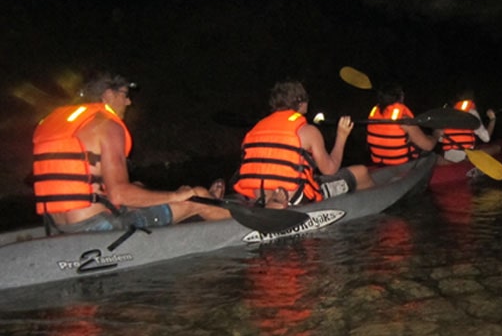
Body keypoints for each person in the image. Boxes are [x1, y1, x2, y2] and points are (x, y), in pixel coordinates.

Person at [32, 72, 229, 233]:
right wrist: (175, 196)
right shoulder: (106, 124)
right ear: (108, 95)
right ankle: (242, 226)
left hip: (58, 223)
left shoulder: (56, 123)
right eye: (124, 95)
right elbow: (119, 195)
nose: (128, 102)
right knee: (197, 197)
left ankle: (214, 202)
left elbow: (104, 189)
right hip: (96, 225)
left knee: (139, 187)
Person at [233, 80, 375, 208]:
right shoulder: (307, 131)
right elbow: (330, 169)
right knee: (361, 172)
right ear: (300, 102)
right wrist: (342, 136)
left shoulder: (256, 129)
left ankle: (271, 201)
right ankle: (369, 208)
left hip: (258, 195)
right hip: (295, 196)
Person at [366, 82, 438, 165]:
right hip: (403, 165)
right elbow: (428, 146)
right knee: (435, 157)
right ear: (401, 97)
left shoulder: (373, 118)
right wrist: (436, 135)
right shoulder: (403, 119)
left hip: (380, 163)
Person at [438, 89, 499, 162]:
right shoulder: (472, 112)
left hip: (447, 156)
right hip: (465, 157)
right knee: (497, 148)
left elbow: (440, 139)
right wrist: (492, 119)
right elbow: (486, 138)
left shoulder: (448, 114)